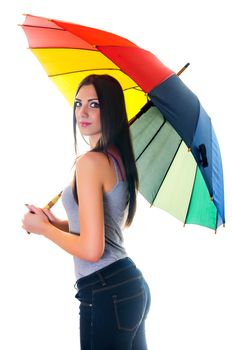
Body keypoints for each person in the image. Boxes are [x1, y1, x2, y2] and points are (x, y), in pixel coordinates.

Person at [22, 74, 151, 350]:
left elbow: (93, 249)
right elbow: (95, 227)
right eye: (79, 103)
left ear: (112, 109)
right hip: (128, 285)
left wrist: (42, 229)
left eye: (94, 104)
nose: (83, 111)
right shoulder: (117, 158)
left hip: (105, 289)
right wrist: (54, 222)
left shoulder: (90, 163)